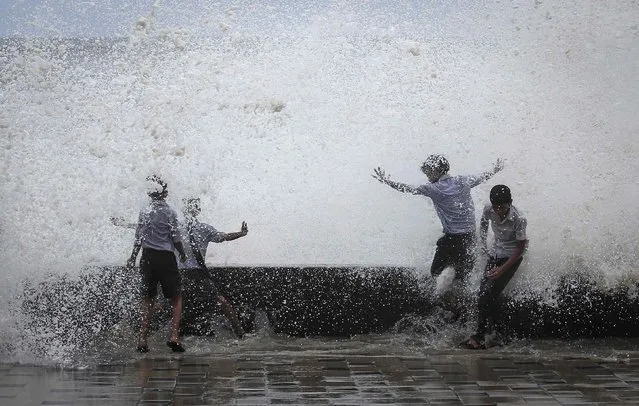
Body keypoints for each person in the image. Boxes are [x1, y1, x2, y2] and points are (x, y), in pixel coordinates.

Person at [372, 155, 504, 313]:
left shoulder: (433, 188)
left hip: (452, 239)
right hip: (469, 238)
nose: (427, 175)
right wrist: (494, 170)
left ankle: (453, 306)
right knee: (462, 280)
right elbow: (483, 176)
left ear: (437, 170)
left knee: (435, 271)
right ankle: (466, 311)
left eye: (428, 171)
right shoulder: (463, 181)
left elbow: (408, 188)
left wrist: (387, 181)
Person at [461, 184, 528, 349]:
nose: (499, 211)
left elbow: (521, 248)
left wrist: (502, 269)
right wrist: (482, 244)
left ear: (510, 202)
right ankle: (499, 334)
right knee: (484, 294)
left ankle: (480, 337)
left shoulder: (519, 218)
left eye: (503, 207)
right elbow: (483, 223)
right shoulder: (489, 208)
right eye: (496, 207)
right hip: (495, 253)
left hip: (512, 257)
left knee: (487, 294)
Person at [127, 175, 188, 353]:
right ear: (165, 193)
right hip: (166, 257)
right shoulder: (169, 212)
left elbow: (139, 237)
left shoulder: (145, 211)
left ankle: (143, 339)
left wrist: (132, 257)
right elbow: (176, 238)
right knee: (176, 297)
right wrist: (183, 254)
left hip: (147, 257)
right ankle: (174, 337)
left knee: (148, 299)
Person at [181, 197, 249, 338]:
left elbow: (223, 236)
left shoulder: (203, 228)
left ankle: (240, 333)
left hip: (193, 273)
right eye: (190, 207)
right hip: (184, 273)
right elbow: (152, 228)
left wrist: (241, 234)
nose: (192, 210)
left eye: (194, 207)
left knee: (221, 302)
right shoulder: (176, 226)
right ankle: (240, 333)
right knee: (221, 302)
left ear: (197, 210)